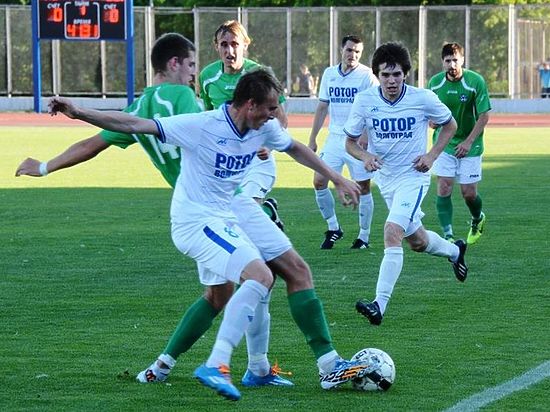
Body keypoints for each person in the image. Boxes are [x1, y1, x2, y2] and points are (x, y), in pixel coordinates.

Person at [48, 68, 380, 401]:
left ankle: (326, 365)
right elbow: (133, 125)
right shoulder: (202, 125)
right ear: (250, 105)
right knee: (259, 277)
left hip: (233, 210)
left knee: (282, 275)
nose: (274, 115)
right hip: (196, 220)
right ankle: (217, 363)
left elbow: (294, 147)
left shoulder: (262, 129)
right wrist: (77, 111)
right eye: (270, 108)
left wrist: (337, 178)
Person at [15, 34, 290, 388]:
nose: (194, 74)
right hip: (221, 203)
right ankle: (253, 366)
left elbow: (92, 144)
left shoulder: (140, 106)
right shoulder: (181, 97)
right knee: (269, 275)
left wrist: (44, 167)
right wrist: (253, 141)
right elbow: (216, 130)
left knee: (220, 294)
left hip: (192, 206)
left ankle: (162, 365)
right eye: (191, 65)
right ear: (174, 64)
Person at [344, 42, 469, 326]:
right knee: (417, 241)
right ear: (377, 74)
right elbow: (349, 142)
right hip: (386, 181)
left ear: (406, 74)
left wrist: (432, 155)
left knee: (391, 231)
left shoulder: (422, 98)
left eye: (397, 75)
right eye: (386, 75)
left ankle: (379, 305)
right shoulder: (365, 101)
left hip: (414, 177)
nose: (391, 81)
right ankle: (455, 251)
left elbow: (449, 125)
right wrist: (365, 156)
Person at [199, 20, 286, 230]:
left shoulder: (260, 75)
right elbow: (210, 118)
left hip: (257, 157)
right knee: (227, 216)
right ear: (216, 46)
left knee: (244, 210)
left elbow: (281, 118)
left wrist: (269, 145)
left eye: (235, 44)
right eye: (224, 44)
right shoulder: (207, 77)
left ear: (245, 44)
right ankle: (267, 213)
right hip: (227, 158)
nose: (230, 50)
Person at [308, 34, 379, 250]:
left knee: (363, 187)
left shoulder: (367, 76)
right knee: (319, 181)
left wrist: (366, 136)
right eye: (350, 50)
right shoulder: (330, 74)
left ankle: (364, 237)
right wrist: (312, 138)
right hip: (335, 138)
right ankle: (333, 228)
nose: (353, 55)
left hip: (357, 141)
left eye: (357, 52)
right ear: (342, 50)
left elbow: (374, 107)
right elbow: (322, 107)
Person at [428, 42, 491, 245]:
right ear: (442, 63)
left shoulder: (475, 81)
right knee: (444, 187)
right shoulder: (435, 83)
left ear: (462, 60)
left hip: (470, 144)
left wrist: (468, 141)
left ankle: (477, 218)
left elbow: (483, 115)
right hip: (444, 144)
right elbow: (428, 113)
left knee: (468, 193)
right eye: (448, 61)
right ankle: (448, 236)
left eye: (455, 60)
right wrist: (430, 121)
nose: (452, 64)